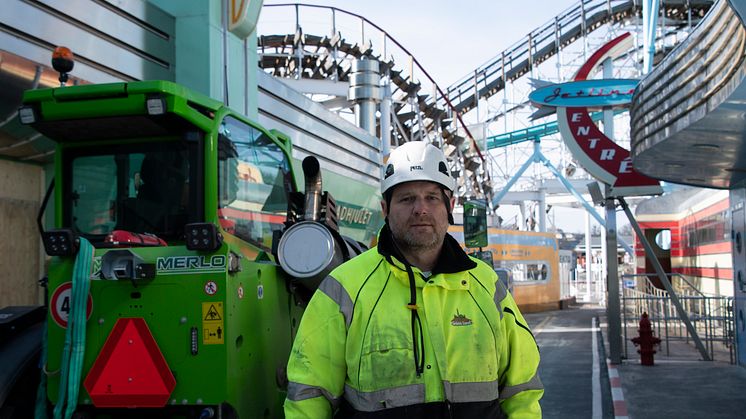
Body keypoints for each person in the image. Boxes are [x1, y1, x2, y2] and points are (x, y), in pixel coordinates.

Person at [284, 141, 543, 418]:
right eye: (407, 199)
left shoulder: (486, 285)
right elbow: (310, 395)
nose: (420, 209)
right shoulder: (345, 288)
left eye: (432, 197)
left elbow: (521, 392)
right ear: (385, 209)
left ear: (450, 205)